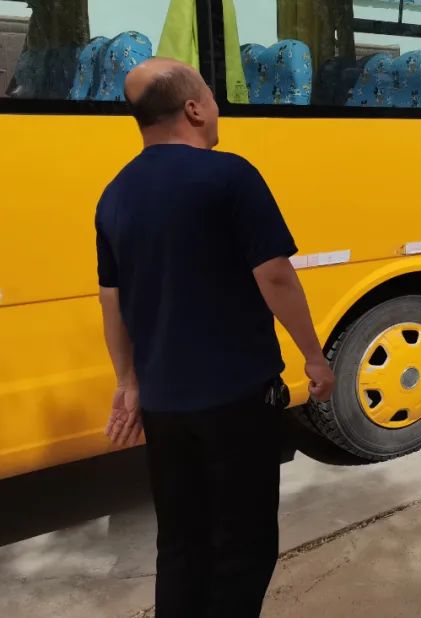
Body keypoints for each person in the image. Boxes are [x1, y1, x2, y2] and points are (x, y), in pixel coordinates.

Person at [96, 58, 335, 617]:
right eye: (213, 94)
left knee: (180, 542)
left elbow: (112, 299)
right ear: (194, 108)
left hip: (163, 405)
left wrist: (127, 382)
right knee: (243, 546)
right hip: (235, 401)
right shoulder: (229, 175)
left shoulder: (115, 193)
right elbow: (274, 274)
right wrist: (315, 357)